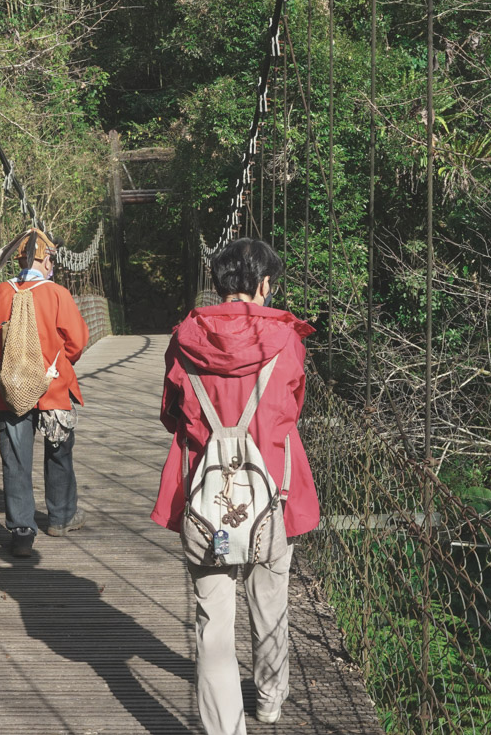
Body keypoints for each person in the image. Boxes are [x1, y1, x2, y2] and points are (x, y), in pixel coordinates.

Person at [151, 237, 320, 734]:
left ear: (219, 283)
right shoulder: (288, 340)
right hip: (276, 493)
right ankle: (269, 699)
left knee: (213, 626)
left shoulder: (185, 339)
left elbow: (170, 416)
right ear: (264, 285)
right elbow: (292, 408)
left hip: (207, 500)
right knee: (270, 605)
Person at [0, 228, 89, 557]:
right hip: (52, 387)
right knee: (59, 451)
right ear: (42, 258)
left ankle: (22, 531)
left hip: (10, 390)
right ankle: (61, 517)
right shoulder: (57, 295)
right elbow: (77, 343)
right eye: (52, 258)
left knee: (14, 458)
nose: (53, 264)